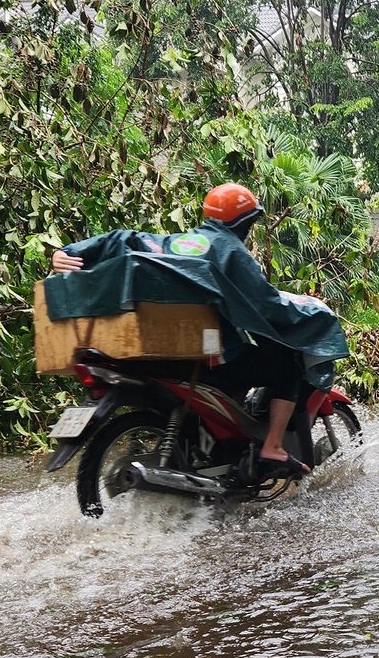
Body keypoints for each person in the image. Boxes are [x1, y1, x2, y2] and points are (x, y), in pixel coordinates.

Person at [50, 183, 331, 477]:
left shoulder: (178, 242)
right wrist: (310, 314)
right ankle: (272, 445)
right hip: (213, 358)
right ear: (245, 222)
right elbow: (268, 304)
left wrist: (67, 252)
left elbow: (125, 238)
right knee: (287, 364)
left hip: (171, 356)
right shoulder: (231, 251)